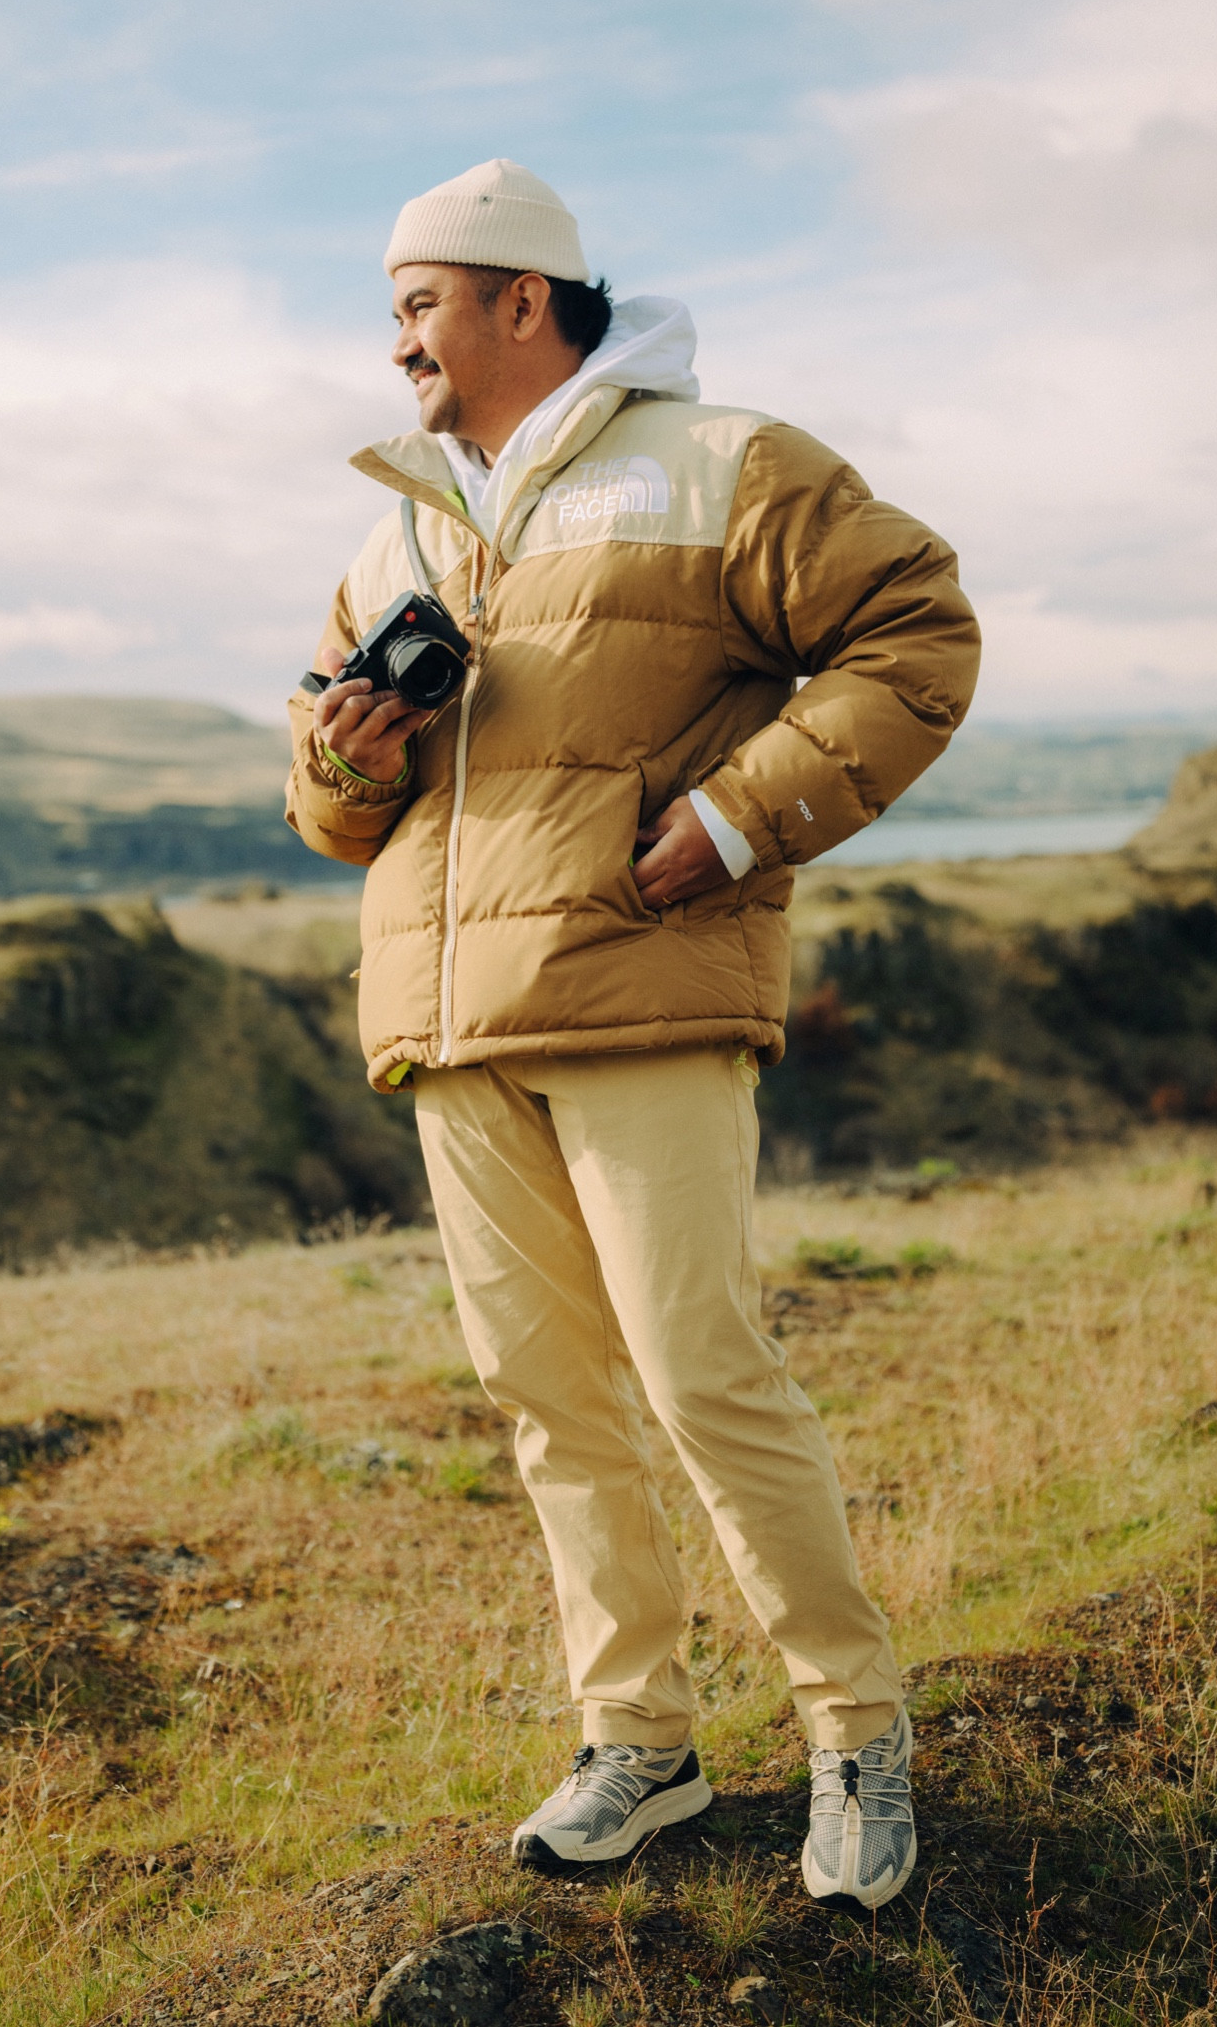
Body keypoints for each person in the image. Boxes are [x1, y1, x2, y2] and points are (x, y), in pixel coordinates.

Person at [286, 160, 979, 1908]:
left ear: (525, 297)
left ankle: (856, 1735)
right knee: (550, 1403)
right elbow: (328, 812)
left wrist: (741, 821)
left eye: (418, 308)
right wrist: (347, 756)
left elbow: (916, 630)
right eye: (392, 317)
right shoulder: (396, 525)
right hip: (450, 1029)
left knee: (702, 1375)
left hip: (643, 984)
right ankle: (641, 1741)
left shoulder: (726, 462)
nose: (398, 350)